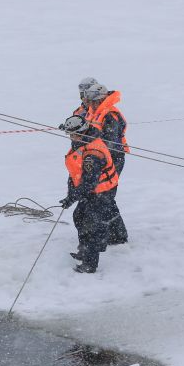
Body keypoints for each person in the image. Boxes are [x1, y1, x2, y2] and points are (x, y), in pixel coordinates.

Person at [58, 115, 119, 273]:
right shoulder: (82, 142)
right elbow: (77, 175)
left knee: (91, 224)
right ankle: (84, 250)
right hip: (91, 190)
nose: (70, 137)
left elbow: (89, 182)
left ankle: (90, 264)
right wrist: (71, 194)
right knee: (79, 216)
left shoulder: (93, 153)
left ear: (81, 132)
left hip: (102, 191)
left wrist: (72, 197)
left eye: (72, 134)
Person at [82, 83, 129, 245]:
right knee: (101, 196)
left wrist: (91, 137)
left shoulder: (110, 115)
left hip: (112, 158)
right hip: (98, 157)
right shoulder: (94, 110)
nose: (87, 104)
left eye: (89, 101)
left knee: (104, 196)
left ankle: (116, 234)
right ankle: (113, 232)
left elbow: (111, 140)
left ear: (98, 99)